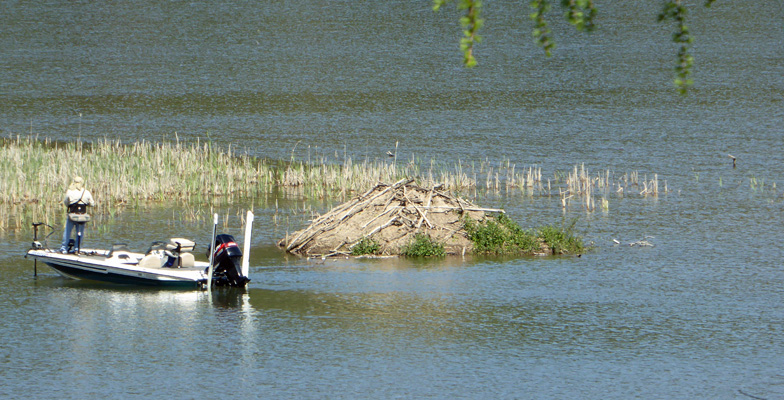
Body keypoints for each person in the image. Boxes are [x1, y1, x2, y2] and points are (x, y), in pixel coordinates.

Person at [59, 176, 95, 253]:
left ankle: (63, 248)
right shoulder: (86, 192)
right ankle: (76, 248)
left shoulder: (70, 192)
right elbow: (92, 204)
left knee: (67, 232)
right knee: (80, 233)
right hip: (82, 216)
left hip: (72, 215)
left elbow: (66, 203)